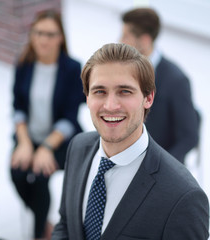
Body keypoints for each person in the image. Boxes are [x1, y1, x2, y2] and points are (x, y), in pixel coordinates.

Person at [52, 43, 209, 239]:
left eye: (124, 91)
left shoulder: (183, 197)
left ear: (148, 98)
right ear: (87, 97)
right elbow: (66, 225)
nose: (110, 106)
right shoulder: (78, 147)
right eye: (99, 91)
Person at [11, 10, 84, 240]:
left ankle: (39, 234)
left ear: (61, 37)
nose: (44, 39)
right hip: (28, 135)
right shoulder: (24, 64)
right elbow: (17, 107)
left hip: (60, 139)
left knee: (40, 174)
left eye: (51, 34)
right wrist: (24, 142)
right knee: (16, 173)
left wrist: (45, 147)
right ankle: (44, 224)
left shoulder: (72, 68)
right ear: (32, 35)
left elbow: (70, 117)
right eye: (39, 33)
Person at [120, 8, 199, 164]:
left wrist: (162, 166)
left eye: (126, 36)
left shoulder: (176, 80)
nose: (120, 41)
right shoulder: (123, 72)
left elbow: (189, 137)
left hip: (159, 167)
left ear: (144, 40)